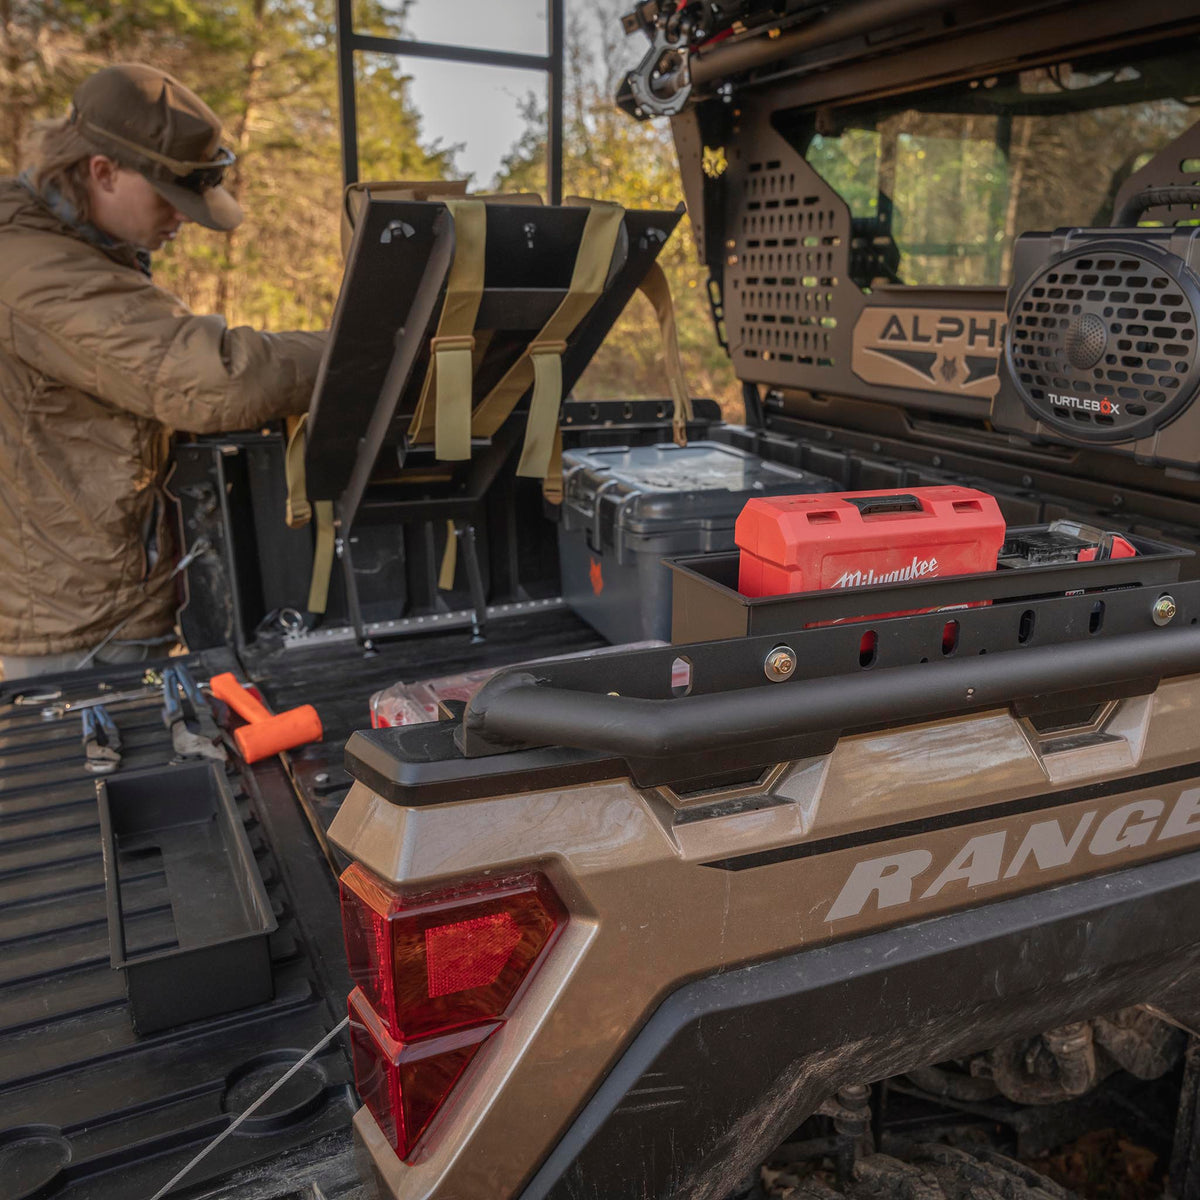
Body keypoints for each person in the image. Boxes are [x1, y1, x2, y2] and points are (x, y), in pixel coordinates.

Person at [0, 63, 328, 680]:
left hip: (102, 610)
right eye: (168, 197)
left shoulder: (75, 244)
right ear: (103, 171)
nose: (184, 218)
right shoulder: (30, 266)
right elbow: (211, 378)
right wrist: (381, 348)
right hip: (69, 638)